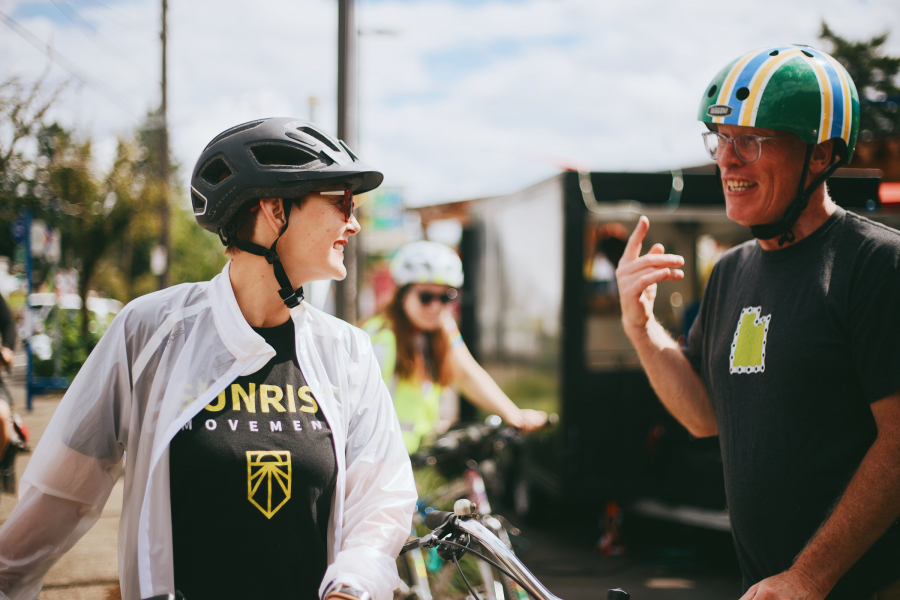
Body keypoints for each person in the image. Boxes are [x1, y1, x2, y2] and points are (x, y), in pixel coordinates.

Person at [0, 118, 416, 600]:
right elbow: (61, 491)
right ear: (274, 209)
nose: (355, 222)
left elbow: (380, 501)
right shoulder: (152, 330)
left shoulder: (346, 352)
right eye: (341, 201)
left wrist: (353, 586)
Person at [616, 45, 900, 600]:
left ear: (821, 156)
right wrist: (640, 327)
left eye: (751, 140)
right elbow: (703, 418)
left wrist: (809, 577)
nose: (726, 159)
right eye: (720, 139)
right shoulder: (730, 271)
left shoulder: (876, 265)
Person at [363, 241, 547, 454]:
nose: (436, 307)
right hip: (382, 462)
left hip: (418, 460)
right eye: (426, 297)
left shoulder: (442, 328)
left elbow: (467, 374)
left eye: (446, 297)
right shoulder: (378, 339)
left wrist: (513, 414)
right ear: (403, 294)